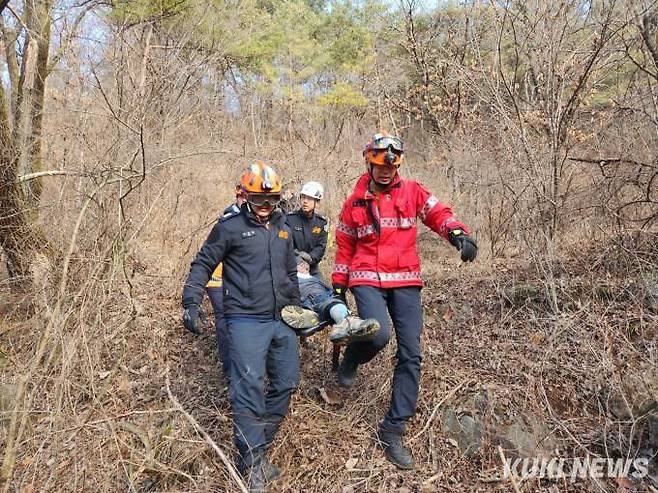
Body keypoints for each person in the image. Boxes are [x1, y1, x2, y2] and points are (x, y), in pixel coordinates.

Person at [331, 132, 478, 470]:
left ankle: (393, 429)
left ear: (398, 164)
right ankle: (353, 357)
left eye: (392, 165)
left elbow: (437, 212)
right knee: (378, 334)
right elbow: (344, 247)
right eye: (380, 165)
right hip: (366, 276)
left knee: (411, 353)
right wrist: (339, 288)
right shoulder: (354, 203)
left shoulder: (412, 190)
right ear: (369, 161)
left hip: (405, 279)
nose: (386, 171)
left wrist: (457, 233)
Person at [182, 162, 301, 492]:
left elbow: (290, 273)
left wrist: (299, 310)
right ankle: (251, 464)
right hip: (245, 319)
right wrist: (191, 301)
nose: (265, 207)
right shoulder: (230, 227)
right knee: (248, 386)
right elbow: (203, 262)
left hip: (282, 319)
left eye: (272, 200)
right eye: (259, 200)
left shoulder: (284, 227)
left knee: (287, 382)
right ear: (245, 196)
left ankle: (257, 449)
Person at [281, 254, 380, 344]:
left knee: (331, 304)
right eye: (304, 265)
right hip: (316, 298)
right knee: (333, 304)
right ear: (300, 266)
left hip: (318, 300)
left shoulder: (312, 277)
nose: (307, 267)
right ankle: (349, 324)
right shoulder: (295, 277)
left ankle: (318, 316)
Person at [206, 184, 247, 376]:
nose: (246, 201)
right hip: (217, 276)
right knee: (224, 319)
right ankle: (229, 368)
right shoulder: (230, 219)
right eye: (242, 198)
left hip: (235, 278)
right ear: (238, 197)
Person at [286, 182, 328, 279]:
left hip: (312, 267)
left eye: (309, 199)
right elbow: (286, 244)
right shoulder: (289, 219)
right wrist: (298, 260)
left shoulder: (321, 223)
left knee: (324, 291)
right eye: (303, 197)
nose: (305, 201)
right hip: (291, 266)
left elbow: (321, 247)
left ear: (316, 201)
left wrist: (309, 259)